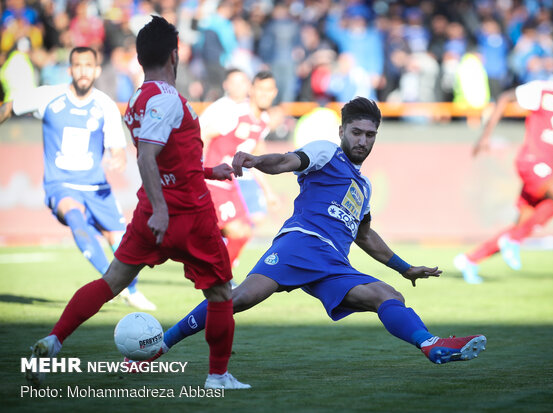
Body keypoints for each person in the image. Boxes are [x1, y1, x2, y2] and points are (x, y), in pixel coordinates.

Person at [130, 97, 487, 368]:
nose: (363, 141)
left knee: (387, 294)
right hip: (301, 244)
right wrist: (256, 161)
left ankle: (430, 344)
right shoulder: (326, 153)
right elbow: (287, 161)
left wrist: (404, 267)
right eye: (357, 132)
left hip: (332, 262)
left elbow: (364, 235)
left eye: (370, 135)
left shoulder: (363, 187)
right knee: (236, 299)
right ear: (342, 132)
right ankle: (162, 344)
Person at [24, 16, 250, 390]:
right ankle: (217, 376)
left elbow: (167, 158)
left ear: (141, 58)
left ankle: (55, 339)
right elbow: (147, 157)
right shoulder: (167, 99)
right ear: (174, 57)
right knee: (221, 293)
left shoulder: (137, 100)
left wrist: (209, 170)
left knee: (112, 281)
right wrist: (164, 209)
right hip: (187, 215)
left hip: (151, 213)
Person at [0, 45, 155, 310]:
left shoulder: (105, 104)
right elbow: (9, 107)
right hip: (60, 184)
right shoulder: (48, 96)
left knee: (119, 239)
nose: (83, 71)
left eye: (88, 66)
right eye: (77, 65)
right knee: (75, 216)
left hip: (96, 186)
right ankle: (113, 282)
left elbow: (117, 146)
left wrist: (117, 157)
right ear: (70, 69)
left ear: (96, 70)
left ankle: (131, 290)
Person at [454, 57, 553, 284]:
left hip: (548, 169)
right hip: (531, 162)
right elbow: (505, 97)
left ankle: (471, 259)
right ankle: (513, 241)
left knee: (523, 223)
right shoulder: (543, 90)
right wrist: (485, 137)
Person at [198, 69, 278, 268]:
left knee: (244, 233)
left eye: (269, 90)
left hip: (230, 183)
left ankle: (219, 276)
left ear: (275, 93)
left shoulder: (263, 122)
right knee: (235, 231)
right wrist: (198, 167)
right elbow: (203, 134)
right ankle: (218, 277)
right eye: (260, 89)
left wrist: (268, 192)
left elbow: (255, 160)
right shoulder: (234, 114)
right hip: (213, 181)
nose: (264, 94)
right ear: (251, 90)